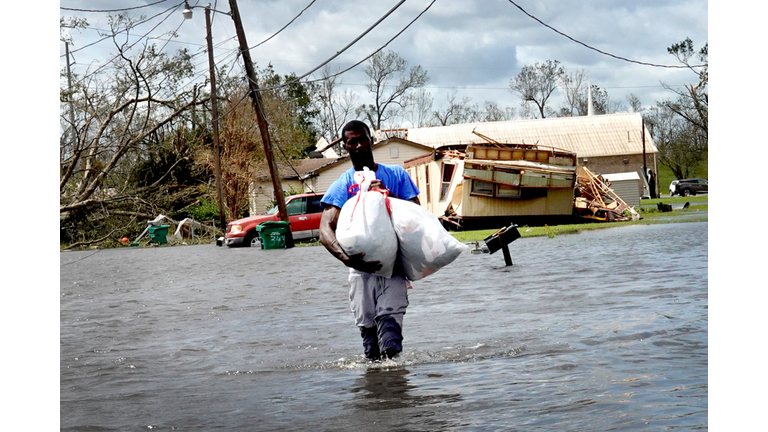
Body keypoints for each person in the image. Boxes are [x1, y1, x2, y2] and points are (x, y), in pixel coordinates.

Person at [319, 120, 420, 362]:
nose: (358, 145)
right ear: (346, 147)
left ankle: (395, 390)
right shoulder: (343, 184)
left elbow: (417, 214)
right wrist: (348, 260)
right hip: (359, 271)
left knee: (391, 339)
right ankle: (378, 390)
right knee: (370, 347)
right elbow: (325, 230)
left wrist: (388, 194)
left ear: (371, 140)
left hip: (393, 269)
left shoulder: (396, 175)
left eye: (362, 138)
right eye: (351, 142)